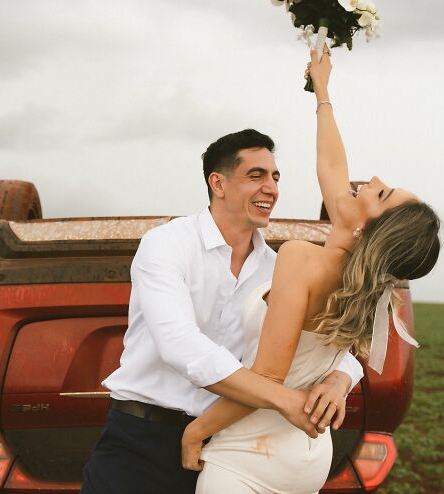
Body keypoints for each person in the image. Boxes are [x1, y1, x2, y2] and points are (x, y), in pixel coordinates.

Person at [180, 48, 441, 494]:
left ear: (364, 229)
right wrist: (323, 91)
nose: (372, 179)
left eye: (383, 193)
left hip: (250, 454)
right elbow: (333, 166)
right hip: (308, 457)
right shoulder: (364, 284)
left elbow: (268, 378)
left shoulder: (302, 258)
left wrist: (197, 430)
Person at [80, 86, 365, 494]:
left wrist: (340, 378)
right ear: (218, 182)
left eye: (275, 177)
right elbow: (179, 344)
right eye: (256, 176)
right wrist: (283, 399)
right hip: (140, 440)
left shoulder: (279, 268)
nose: (272, 188)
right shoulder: (167, 244)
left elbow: (323, 341)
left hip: (231, 449)